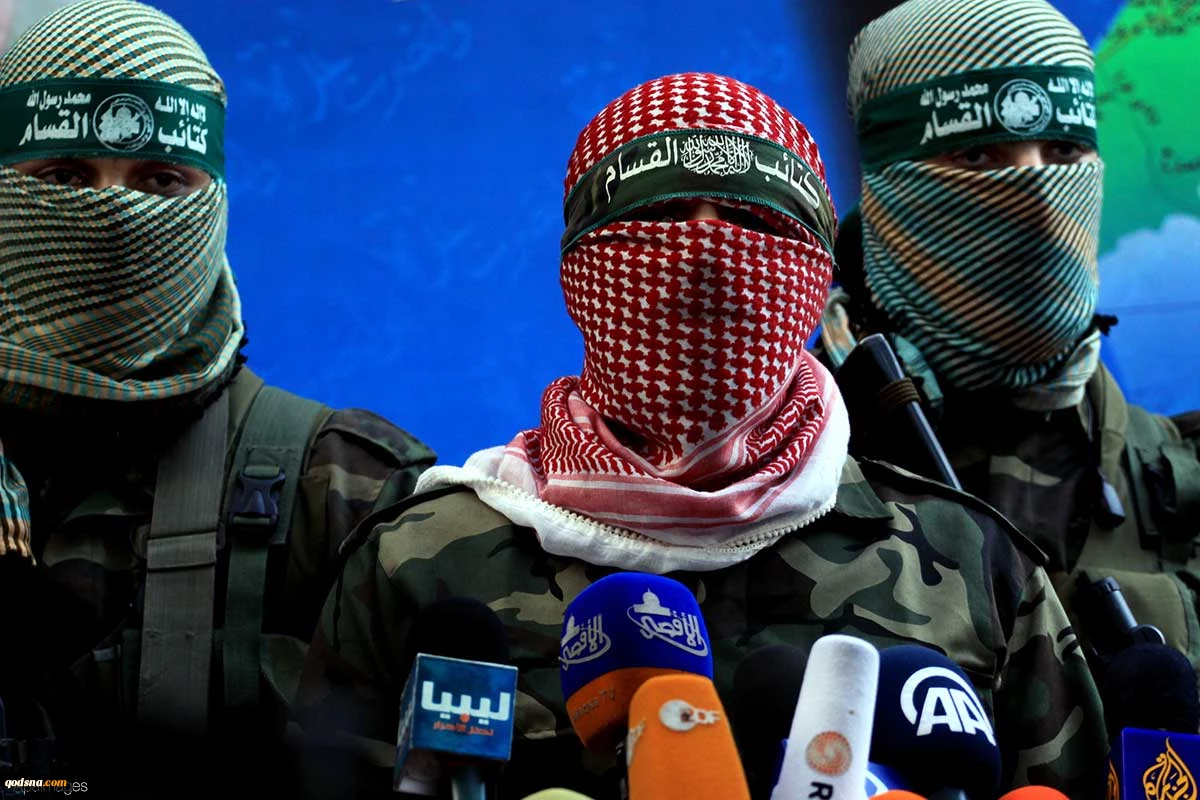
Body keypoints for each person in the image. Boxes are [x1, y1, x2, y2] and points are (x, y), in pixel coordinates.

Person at [295, 72, 1108, 800]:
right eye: (661, 215)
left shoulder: (973, 567)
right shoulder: (419, 566)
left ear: (816, 271)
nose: (708, 255)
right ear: (578, 265)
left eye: (753, 221)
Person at [0, 0, 435, 794]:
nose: (117, 210)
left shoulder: (346, 497)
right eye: (65, 177)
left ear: (214, 199)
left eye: (161, 179)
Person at [818, 0, 1200, 677]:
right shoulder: (782, 477)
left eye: (1064, 152)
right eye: (977, 155)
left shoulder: (1179, 481)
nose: (1040, 198)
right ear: (888, 190)